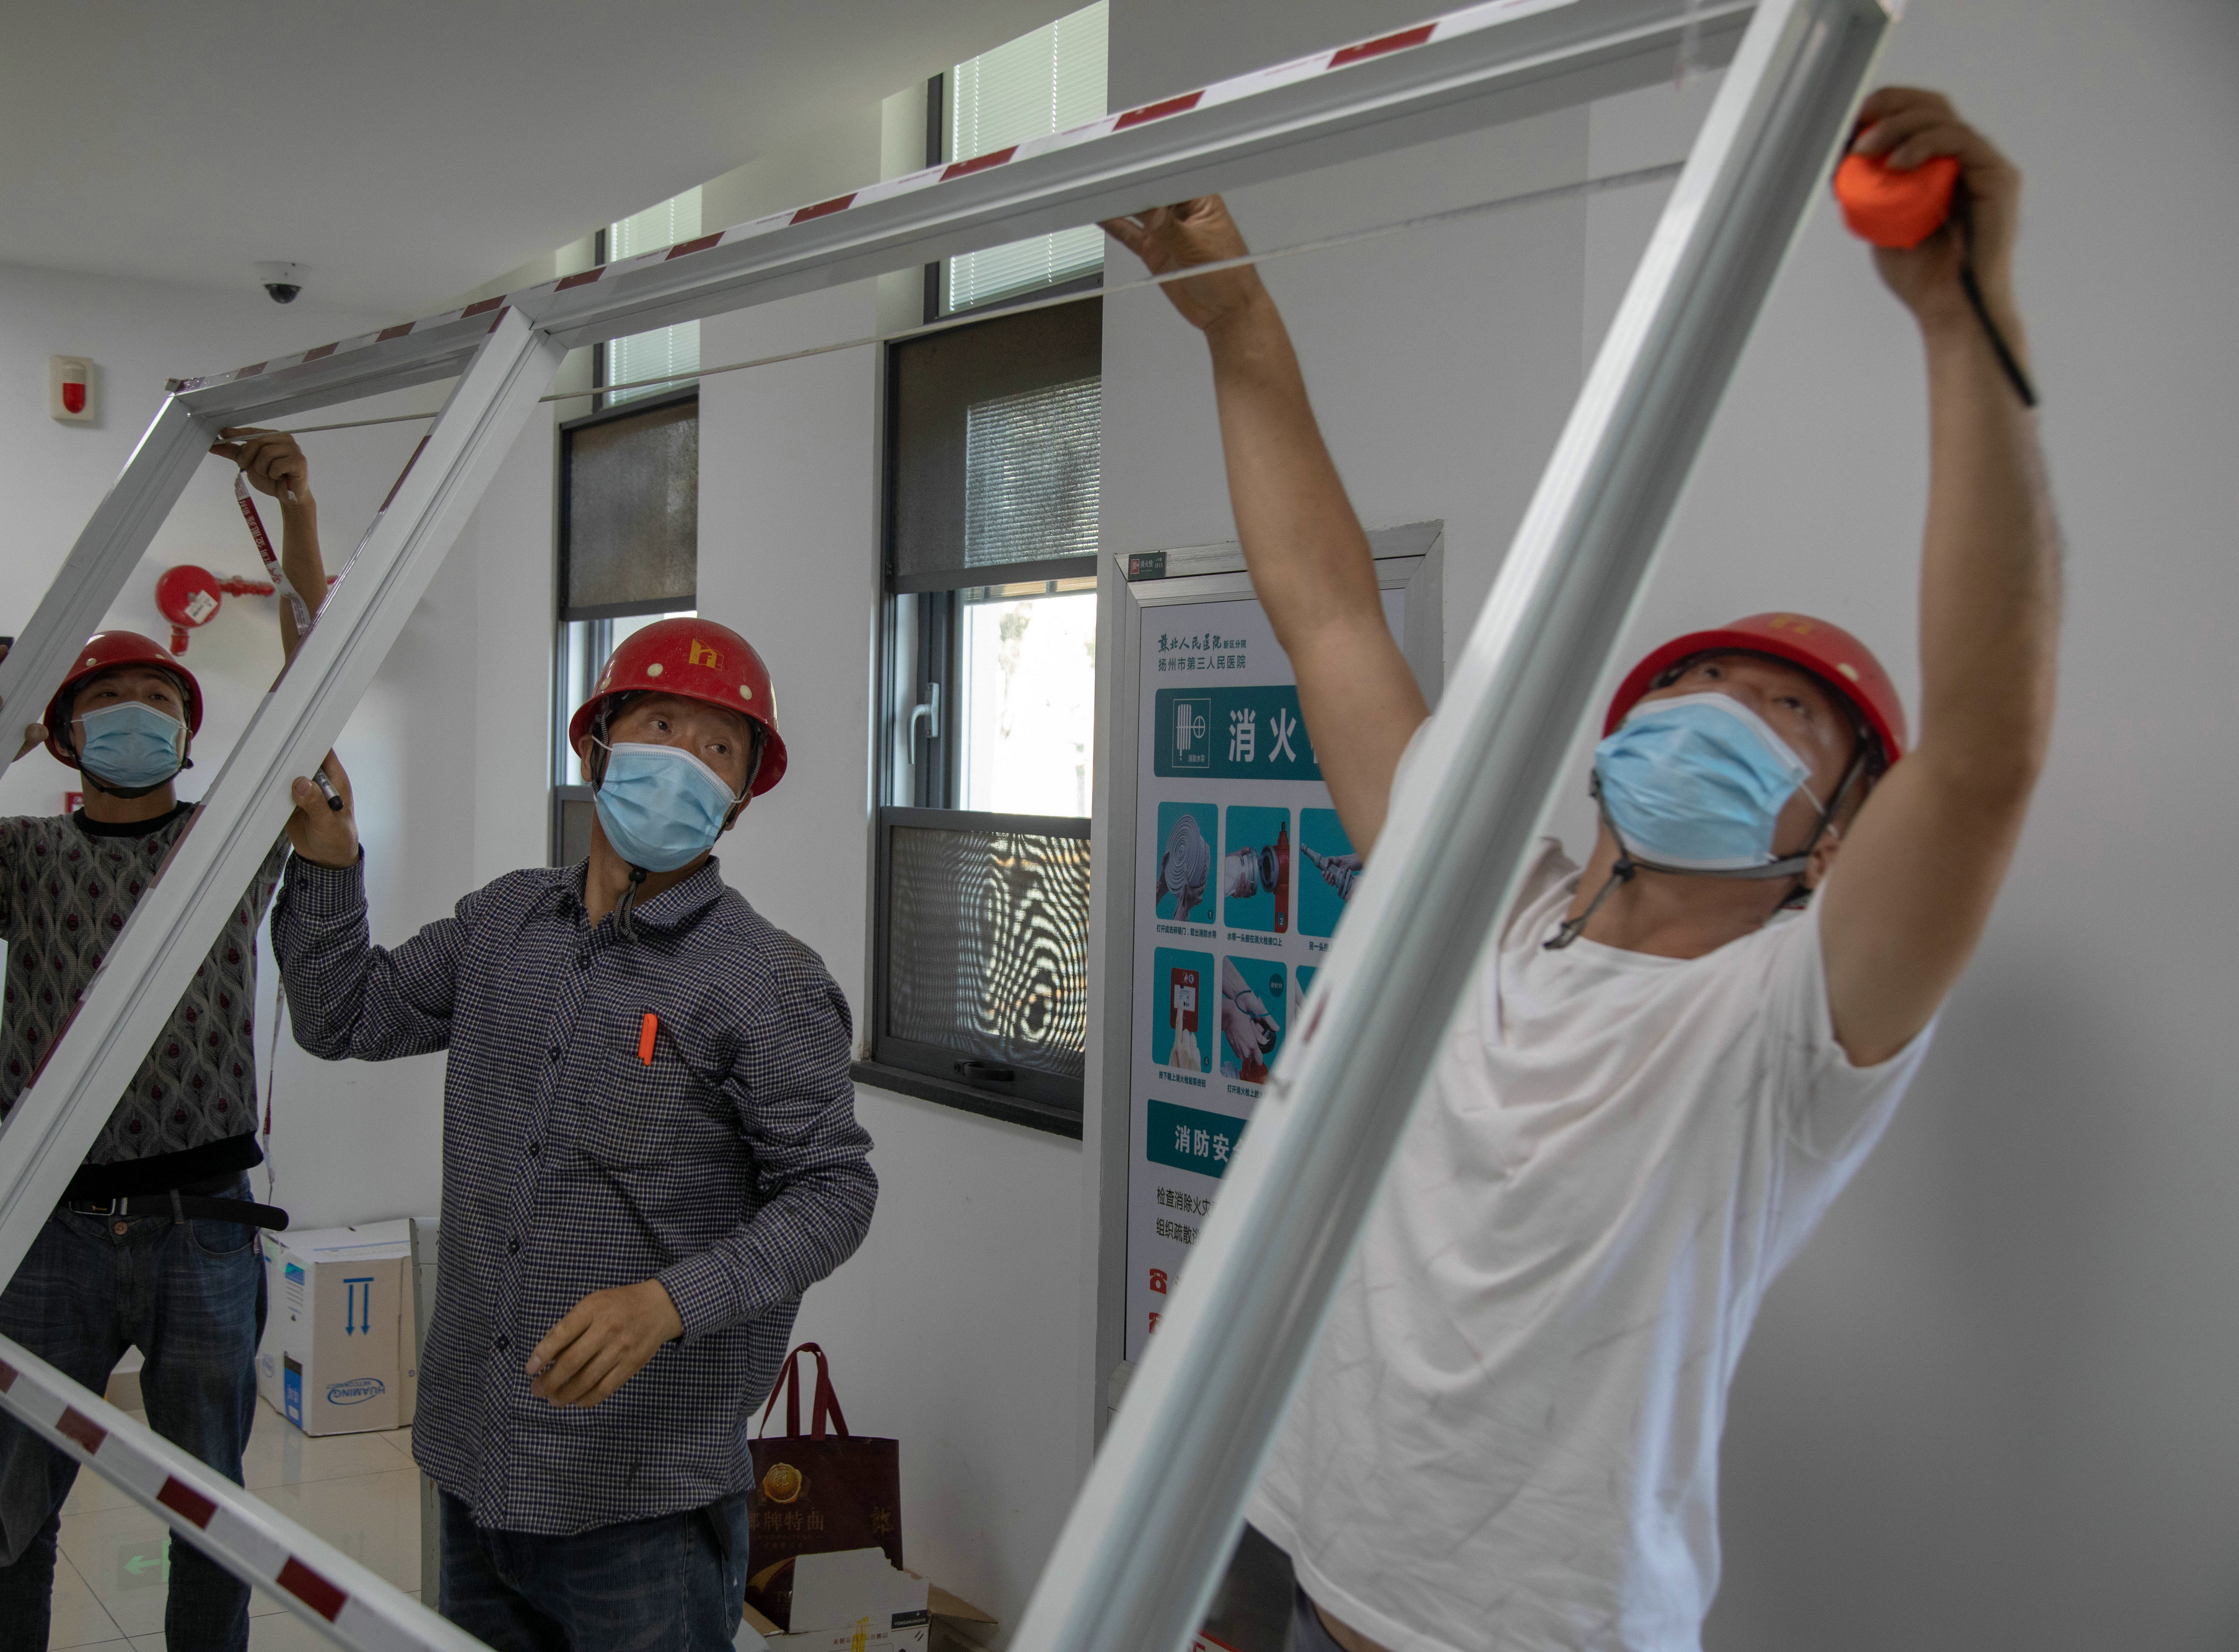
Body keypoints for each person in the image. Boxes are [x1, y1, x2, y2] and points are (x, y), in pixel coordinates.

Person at [1104, 87, 2056, 1651]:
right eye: (1692, 683)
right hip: (1297, 1551)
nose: (1717, 708)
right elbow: (1326, 613)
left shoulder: (1787, 1023)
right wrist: (1235, 319)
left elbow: (1984, 759)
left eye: (1784, 713)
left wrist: (1963, 322)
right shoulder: (1479, 911)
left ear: (1835, 832)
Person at [267, 616, 877, 1651]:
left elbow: (833, 1193)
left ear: (739, 796)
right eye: (660, 726)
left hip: (639, 1491)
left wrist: (668, 1304)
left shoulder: (767, 981)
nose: (684, 762)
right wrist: (330, 867)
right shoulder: (503, 926)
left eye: (718, 748)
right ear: (594, 747)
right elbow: (344, 1017)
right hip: (477, 1456)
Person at [0, 428, 328, 1652]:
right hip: (49, 1229)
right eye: (104, 701)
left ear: (190, 734)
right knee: (14, 1517)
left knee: (211, 1517)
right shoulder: (23, 856)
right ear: (64, 735)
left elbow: (317, 693)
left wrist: (296, 514)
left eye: (161, 701)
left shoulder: (229, 844)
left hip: (205, 1227)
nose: (136, 713)